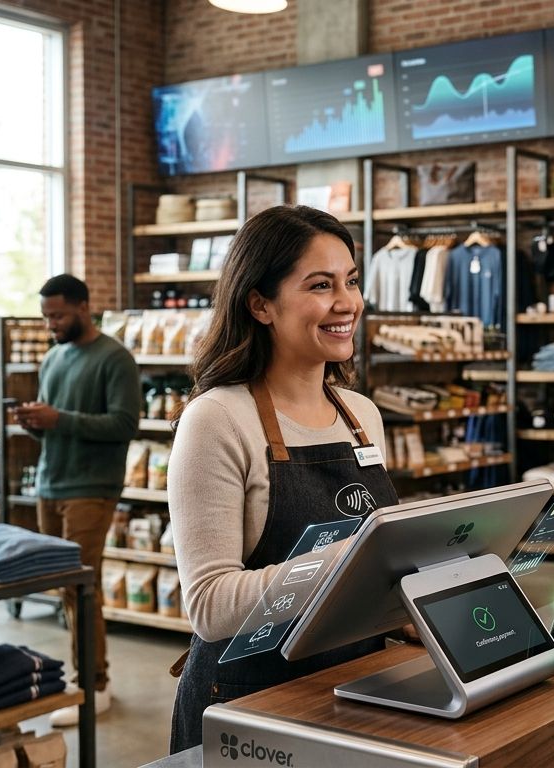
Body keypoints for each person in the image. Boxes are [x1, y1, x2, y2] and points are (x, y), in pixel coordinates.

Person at [166, 206, 393, 753]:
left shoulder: (361, 415)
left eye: (351, 281)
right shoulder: (217, 419)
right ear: (260, 304)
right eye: (321, 285)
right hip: (249, 706)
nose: (347, 303)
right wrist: (352, 561)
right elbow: (212, 606)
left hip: (352, 685)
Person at [20, 274, 140, 726]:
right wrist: (36, 421)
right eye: (46, 315)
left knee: (81, 587)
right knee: (66, 589)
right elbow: (57, 422)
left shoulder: (115, 358)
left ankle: (94, 684)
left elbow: (124, 424)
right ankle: (84, 678)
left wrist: (60, 418)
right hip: (50, 484)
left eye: (59, 315)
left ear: (84, 307)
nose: (51, 323)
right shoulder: (52, 358)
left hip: (92, 487)